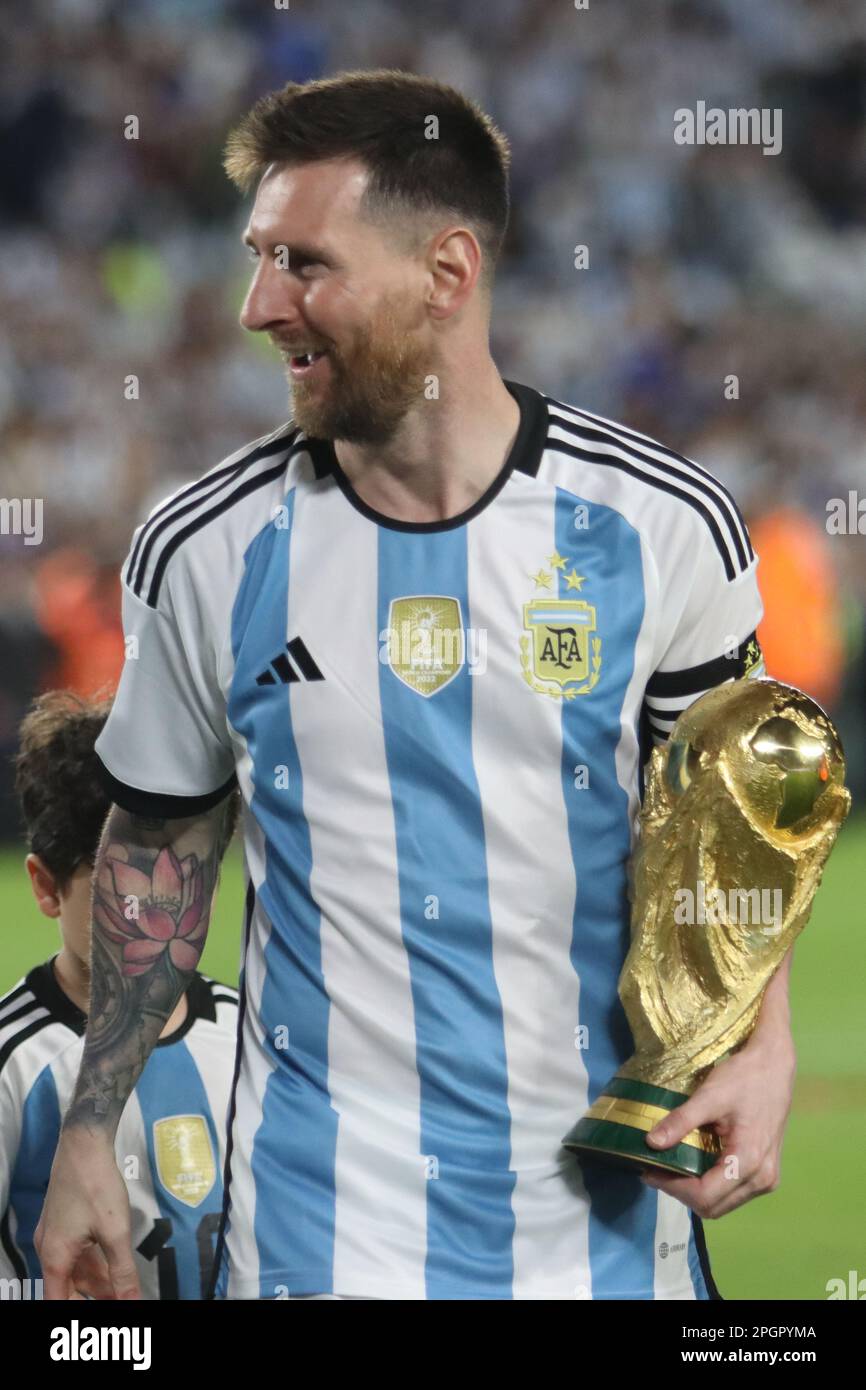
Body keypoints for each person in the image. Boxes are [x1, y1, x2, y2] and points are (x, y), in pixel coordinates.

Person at [37, 69, 796, 1301]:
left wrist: (763, 1042)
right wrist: (85, 1132)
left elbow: (738, 836)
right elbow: (160, 840)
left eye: (302, 264)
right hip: (314, 1240)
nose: (255, 306)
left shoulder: (657, 529)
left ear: (445, 274)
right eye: (256, 259)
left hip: (605, 1243)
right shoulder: (208, 548)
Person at [1, 691, 240, 1298]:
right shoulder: (15, 1065)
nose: (161, 911)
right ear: (47, 887)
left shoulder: (251, 1038)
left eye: (185, 878)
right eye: (124, 891)